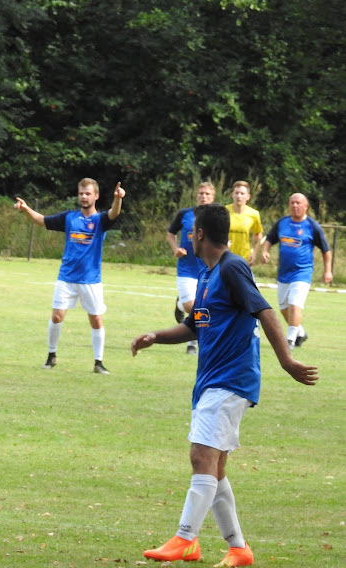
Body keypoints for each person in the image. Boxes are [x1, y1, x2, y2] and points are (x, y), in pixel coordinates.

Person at [131, 203, 318, 567]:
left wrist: (287, 361)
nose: (189, 235)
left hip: (231, 379)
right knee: (214, 468)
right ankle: (238, 549)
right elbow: (194, 326)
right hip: (211, 380)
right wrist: (155, 336)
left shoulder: (232, 268)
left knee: (201, 456)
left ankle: (186, 538)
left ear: (199, 234)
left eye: (192, 231)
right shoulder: (206, 274)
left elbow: (264, 311)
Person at [14, 178, 126, 374]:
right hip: (66, 277)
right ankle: (51, 356)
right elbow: (42, 220)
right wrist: (26, 209)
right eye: (81, 193)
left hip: (90, 280)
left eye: (88, 193)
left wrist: (118, 198)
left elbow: (114, 213)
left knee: (96, 320)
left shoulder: (100, 220)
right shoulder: (69, 218)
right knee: (57, 316)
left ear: (96, 196)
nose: (84, 196)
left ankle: (98, 362)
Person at [261, 193, 332, 350]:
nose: (295, 206)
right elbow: (269, 240)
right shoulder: (282, 223)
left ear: (305, 206)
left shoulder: (312, 226)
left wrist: (328, 271)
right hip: (283, 273)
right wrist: (265, 251)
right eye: (292, 203)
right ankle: (300, 332)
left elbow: (326, 250)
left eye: (298, 203)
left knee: (295, 304)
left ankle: (290, 340)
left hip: (302, 272)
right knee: (284, 308)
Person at [167, 181, 215, 355]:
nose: (204, 196)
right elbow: (170, 233)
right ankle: (182, 305)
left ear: (213, 197)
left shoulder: (215, 217)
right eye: (201, 193)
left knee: (202, 307)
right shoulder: (185, 214)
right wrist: (175, 249)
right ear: (197, 195)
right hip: (186, 269)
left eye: (207, 194)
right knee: (192, 306)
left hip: (207, 268)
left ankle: (192, 343)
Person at [226, 181, 263, 266]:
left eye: (242, 193)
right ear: (232, 195)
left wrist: (254, 252)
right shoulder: (224, 211)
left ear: (248, 196)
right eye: (237, 193)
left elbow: (258, 233)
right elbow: (216, 231)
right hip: (225, 256)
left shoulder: (254, 214)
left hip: (244, 257)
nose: (239, 196)